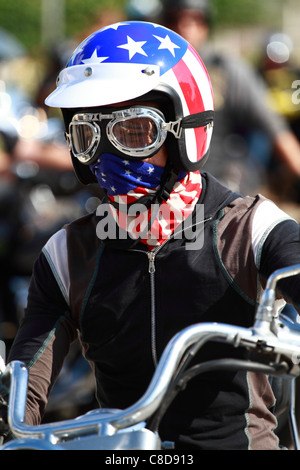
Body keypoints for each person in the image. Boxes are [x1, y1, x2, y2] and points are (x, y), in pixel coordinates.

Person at [5, 20, 300, 450]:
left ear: (186, 127)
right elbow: (23, 388)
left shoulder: (253, 230)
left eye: (134, 131)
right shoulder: (66, 255)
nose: (109, 154)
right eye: (89, 135)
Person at [158, 0, 300, 197]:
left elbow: (276, 130)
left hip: (219, 183)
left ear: (206, 25)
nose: (184, 27)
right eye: (174, 19)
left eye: (195, 19)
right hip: (160, 184)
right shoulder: (150, 72)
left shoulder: (227, 70)